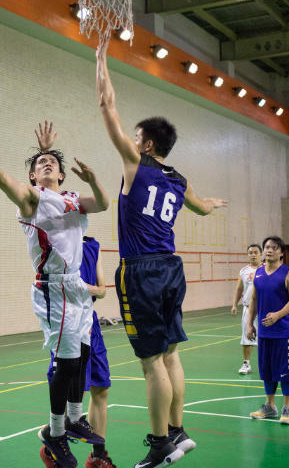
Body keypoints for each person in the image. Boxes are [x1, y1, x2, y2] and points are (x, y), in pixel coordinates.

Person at [96, 33, 228, 468]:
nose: (130, 141)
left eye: (136, 137)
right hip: (172, 268)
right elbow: (203, 208)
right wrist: (213, 204)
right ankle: (178, 431)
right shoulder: (177, 178)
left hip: (142, 271)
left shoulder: (134, 166)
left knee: (151, 361)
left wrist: (102, 59)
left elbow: (106, 106)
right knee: (171, 353)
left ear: (146, 144)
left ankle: (160, 444)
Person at [0, 119, 109, 468]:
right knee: (66, 363)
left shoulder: (70, 199)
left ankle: (74, 417)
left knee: (81, 356)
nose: (47, 164)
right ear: (34, 177)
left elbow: (103, 203)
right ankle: (54, 433)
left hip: (77, 287)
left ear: (63, 176)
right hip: (53, 287)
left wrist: (93, 178)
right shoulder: (30, 198)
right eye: (40, 163)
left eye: (52, 162)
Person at [42, 236, 114, 468]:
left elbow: (102, 290)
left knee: (101, 386)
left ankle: (98, 455)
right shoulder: (56, 240)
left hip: (89, 320)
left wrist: (89, 288)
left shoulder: (93, 245)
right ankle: (54, 442)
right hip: (65, 317)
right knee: (66, 382)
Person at [247, 236, 289, 425]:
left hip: (284, 332)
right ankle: (270, 406)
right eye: (267, 247)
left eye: (274, 248)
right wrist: (249, 324)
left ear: (281, 252)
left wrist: (278, 315)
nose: (269, 250)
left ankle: (287, 408)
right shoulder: (258, 273)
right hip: (264, 333)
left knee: (286, 371)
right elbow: (253, 300)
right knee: (267, 371)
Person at [231, 244, 263, 375]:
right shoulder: (243, 270)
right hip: (248, 309)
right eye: (250, 252)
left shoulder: (266, 269)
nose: (253, 255)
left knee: (266, 337)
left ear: (261, 254)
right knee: (246, 337)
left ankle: (268, 363)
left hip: (264, 310)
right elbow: (239, 289)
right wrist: (234, 304)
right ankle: (246, 364)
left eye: (255, 252)